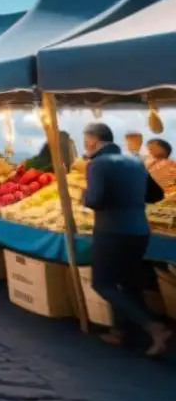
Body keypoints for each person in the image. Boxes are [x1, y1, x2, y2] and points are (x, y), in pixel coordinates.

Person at [81, 122, 170, 356]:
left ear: (93, 141)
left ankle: (154, 328)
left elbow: (96, 200)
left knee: (103, 283)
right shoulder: (134, 161)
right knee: (130, 283)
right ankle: (124, 332)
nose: (85, 146)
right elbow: (156, 195)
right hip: (139, 231)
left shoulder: (96, 165)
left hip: (112, 231)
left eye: (85, 141)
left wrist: (84, 195)